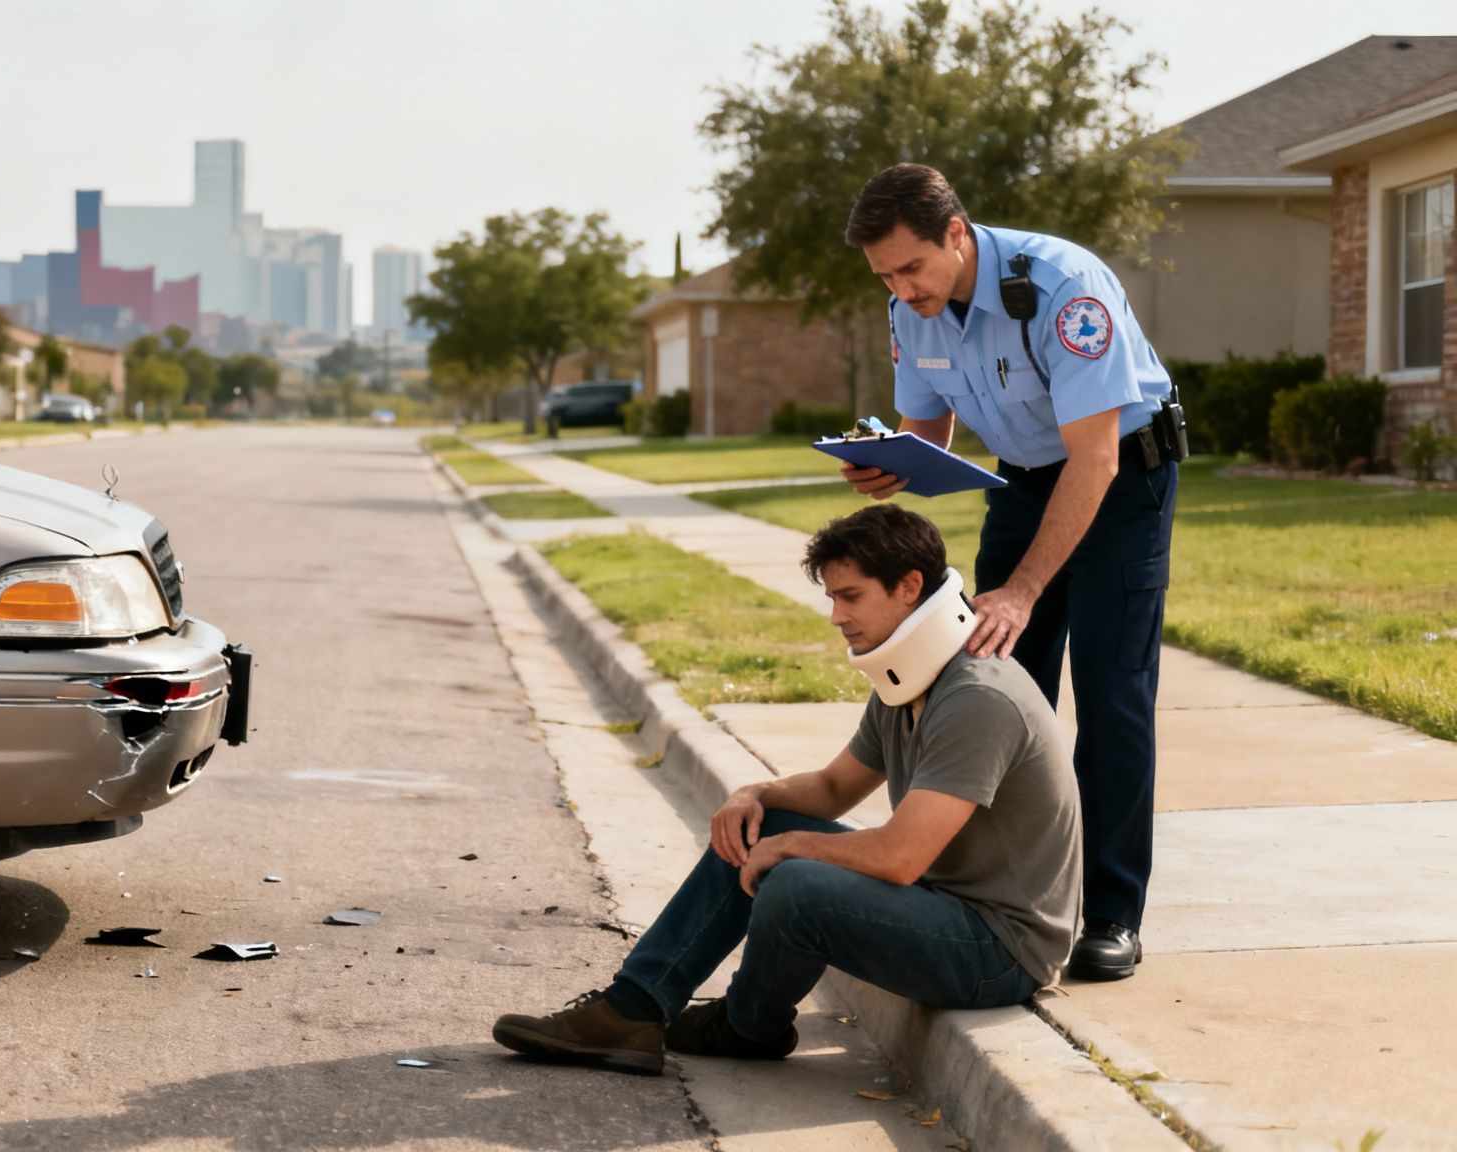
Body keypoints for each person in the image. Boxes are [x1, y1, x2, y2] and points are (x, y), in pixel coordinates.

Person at [492, 505, 1080, 1076]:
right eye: (831, 597)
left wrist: (792, 847)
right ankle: (634, 1008)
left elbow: (900, 859)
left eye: (849, 596)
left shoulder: (977, 697)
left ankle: (748, 1028)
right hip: (946, 907)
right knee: (762, 829)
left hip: (1001, 951)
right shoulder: (911, 678)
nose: (835, 615)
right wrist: (757, 795)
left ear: (908, 587)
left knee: (795, 878)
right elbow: (831, 787)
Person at [838, 164, 1180, 981]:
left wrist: (1024, 589)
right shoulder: (908, 311)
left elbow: (1094, 458)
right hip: (1025, 483)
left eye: (911, 267)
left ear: (957, 233)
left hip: (1122, 481)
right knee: (988, 684)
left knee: (1111, 693)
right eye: (884, 275)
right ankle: (993, 893)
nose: (901, 287)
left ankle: (1109, 913)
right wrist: (890, 467)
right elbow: (930, 437)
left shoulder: (1065, 286)